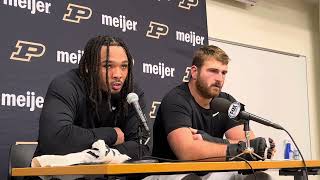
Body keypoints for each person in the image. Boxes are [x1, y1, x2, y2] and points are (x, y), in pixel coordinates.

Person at [151, 45, 275, 180]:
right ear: (194, 72)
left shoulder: (226, 101)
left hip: (209, 171)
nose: (219, 79)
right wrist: (238, 149)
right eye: (213, 71)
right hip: (172, 172)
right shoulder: (176, 99)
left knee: (260, 178)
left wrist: (209, 140)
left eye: (223, 73)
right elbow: (187, 152)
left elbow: (250, 147)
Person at [34, 35, 150, 162]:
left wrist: (103, 154)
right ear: (88, 67)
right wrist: (112, 134)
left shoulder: (131, 94)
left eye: (124, 66)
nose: (118, 75)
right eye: (108, 66)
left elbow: (141, 146)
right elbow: (55, 139)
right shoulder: (66, 85)